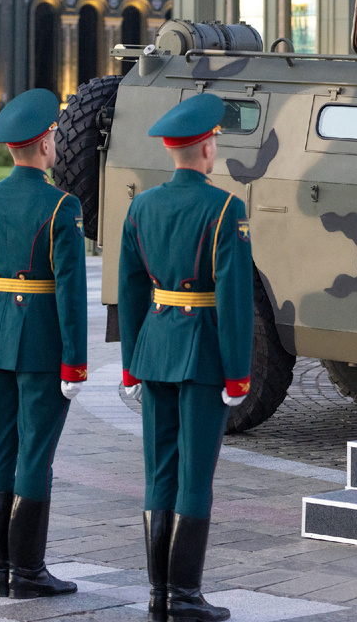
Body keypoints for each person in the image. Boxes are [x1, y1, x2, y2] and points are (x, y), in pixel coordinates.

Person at [118, 93, 253, 622]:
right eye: (215, 138)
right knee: (196, 479)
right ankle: (185, 596)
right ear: (206, 147)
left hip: (155, 350)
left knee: (160, 473)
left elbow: (130, 292)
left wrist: (132, 360)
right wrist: (238, 373)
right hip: (202, 357)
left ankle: (158, 593)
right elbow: (235, 298)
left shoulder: (141, 206)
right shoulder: (225, 208)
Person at [0, 88, 88, 600]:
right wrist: (74, 363)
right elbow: (70, 292)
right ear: (42, 144)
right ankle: (29, 572)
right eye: (54, 134)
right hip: (40, 343)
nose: (57, 140)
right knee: (34, 454)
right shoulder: (62, 206)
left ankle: (0, 571)